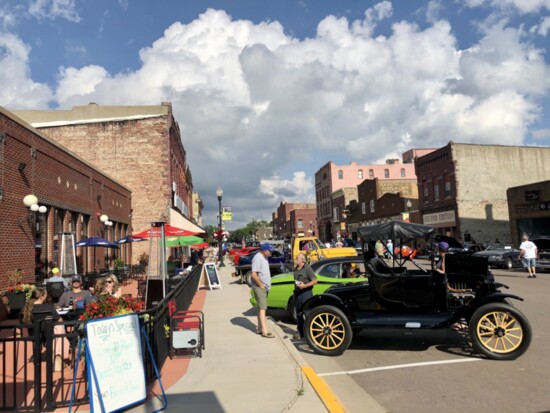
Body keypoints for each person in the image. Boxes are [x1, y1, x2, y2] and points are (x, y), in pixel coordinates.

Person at [21, 288, 71, 371]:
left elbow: (22, 322)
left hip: (33, 334)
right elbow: (59, 320)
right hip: (48, 334)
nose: (47, 295)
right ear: (41, 297)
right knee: (59, 327)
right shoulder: (48, 307)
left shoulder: (26, 309)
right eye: (45, 294)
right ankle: (57, 355)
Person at [250, 243, 274, 338]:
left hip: (264, 287)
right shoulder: (258, 258)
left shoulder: (264, 257)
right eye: (269, 251)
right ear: (264, 250)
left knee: (261, 308)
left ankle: (260, 329)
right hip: (259, 287)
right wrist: (261, 285)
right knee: (263, 309)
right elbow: (253, 274)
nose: (270, 253)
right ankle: (264, 331)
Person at [292, 253, 317, 340]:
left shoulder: (307, 268)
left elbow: (314, 281)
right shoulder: (295, 269)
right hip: (298, 294)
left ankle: (312, 333)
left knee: (308, 313)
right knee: (298, 314)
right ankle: (300, 331)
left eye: (297, 257)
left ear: (303, 260)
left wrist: (304, 286)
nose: (295, 258)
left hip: (306, 293)